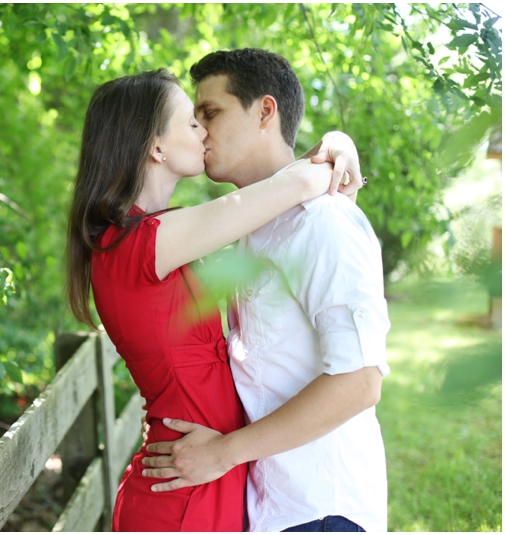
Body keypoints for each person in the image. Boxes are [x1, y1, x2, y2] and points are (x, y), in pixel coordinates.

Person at [66, 68, 364, 531]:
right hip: (182, 491)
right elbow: (280, 191)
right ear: (156, 146)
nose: (204, 131)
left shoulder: (162, 240)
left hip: (204, 473)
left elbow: (273, 197)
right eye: (191, 122)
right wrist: (334, 152)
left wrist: (335, 144)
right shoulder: (135, 244)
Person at [140, 49, 390, 532]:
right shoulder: (251, 228)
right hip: (270, 506)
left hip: (323, 509)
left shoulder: (323, 222)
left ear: (265, 112)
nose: (200, 131)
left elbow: (359, 382)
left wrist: (222, 454)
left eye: (211, 113)